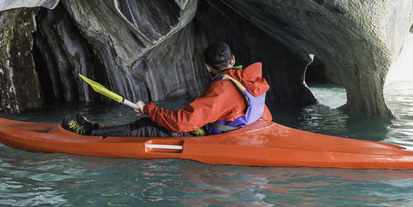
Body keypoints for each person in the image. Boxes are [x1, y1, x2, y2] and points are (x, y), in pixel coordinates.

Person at [62, 42, 272, 137]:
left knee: (147, 126)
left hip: (216, 135)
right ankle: (96, 128)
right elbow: (262, 113)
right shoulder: (250, 79)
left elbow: (182, 123)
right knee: (153, 119)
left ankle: (87, 132)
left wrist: (148, 109)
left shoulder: (223, 88)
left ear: (207, 67)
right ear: (233, 60)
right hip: (236, 128)